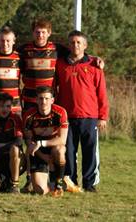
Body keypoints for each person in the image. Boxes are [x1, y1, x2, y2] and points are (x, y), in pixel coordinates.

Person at [54, 30, 108, 193]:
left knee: (90, 151)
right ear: (68, 45)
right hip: (66, 117)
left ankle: (90, 183)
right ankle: (70, 181)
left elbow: (102, 92)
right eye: (72, 42)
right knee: (69, 151)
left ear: (85, 45)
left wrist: (103, 116)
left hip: (89, 117)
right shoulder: (60, 64)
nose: (75, 45)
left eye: (78, 42)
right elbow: (54, 90)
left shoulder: (94, 65)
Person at [23, 86, 69, 196]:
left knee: (60, 150)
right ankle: (45, 182)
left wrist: (41, 143)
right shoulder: (28, 115)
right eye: (40, 98)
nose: (44, 101)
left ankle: (59, 182)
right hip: (37, 152)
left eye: (47, 98)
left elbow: (62, 140)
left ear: (52, 100)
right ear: (36, 100)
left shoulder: (61, 112)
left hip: (53, 148)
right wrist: (43, 156)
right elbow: (29, 143)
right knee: (40, 191)